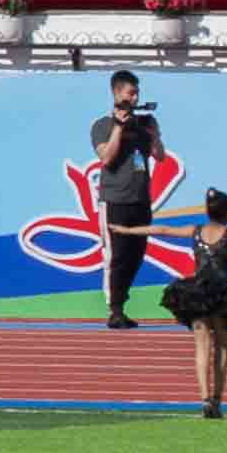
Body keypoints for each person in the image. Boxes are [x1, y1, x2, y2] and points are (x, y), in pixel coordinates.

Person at [161, 188, 227, 420]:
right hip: (221, 295)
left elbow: (163, 229)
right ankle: (217, 399)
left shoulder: (195, 231)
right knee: (222, 345)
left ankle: (205, 398)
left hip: (196, 293)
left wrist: (128, 230)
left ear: (207, 211)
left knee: (201, 347)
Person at [85, 71, 167, 326]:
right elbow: (106, 158)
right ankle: (115, 309)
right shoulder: (102, 125)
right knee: (116, 256)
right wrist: (119, 127)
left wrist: (154, 134)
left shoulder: (144, 123)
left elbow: (160, 156)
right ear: (116, 93)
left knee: (136, 255)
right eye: (130, 93)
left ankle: (121, 302)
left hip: (140, 200)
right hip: (115, 201)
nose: (135, 98)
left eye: (136, 93)